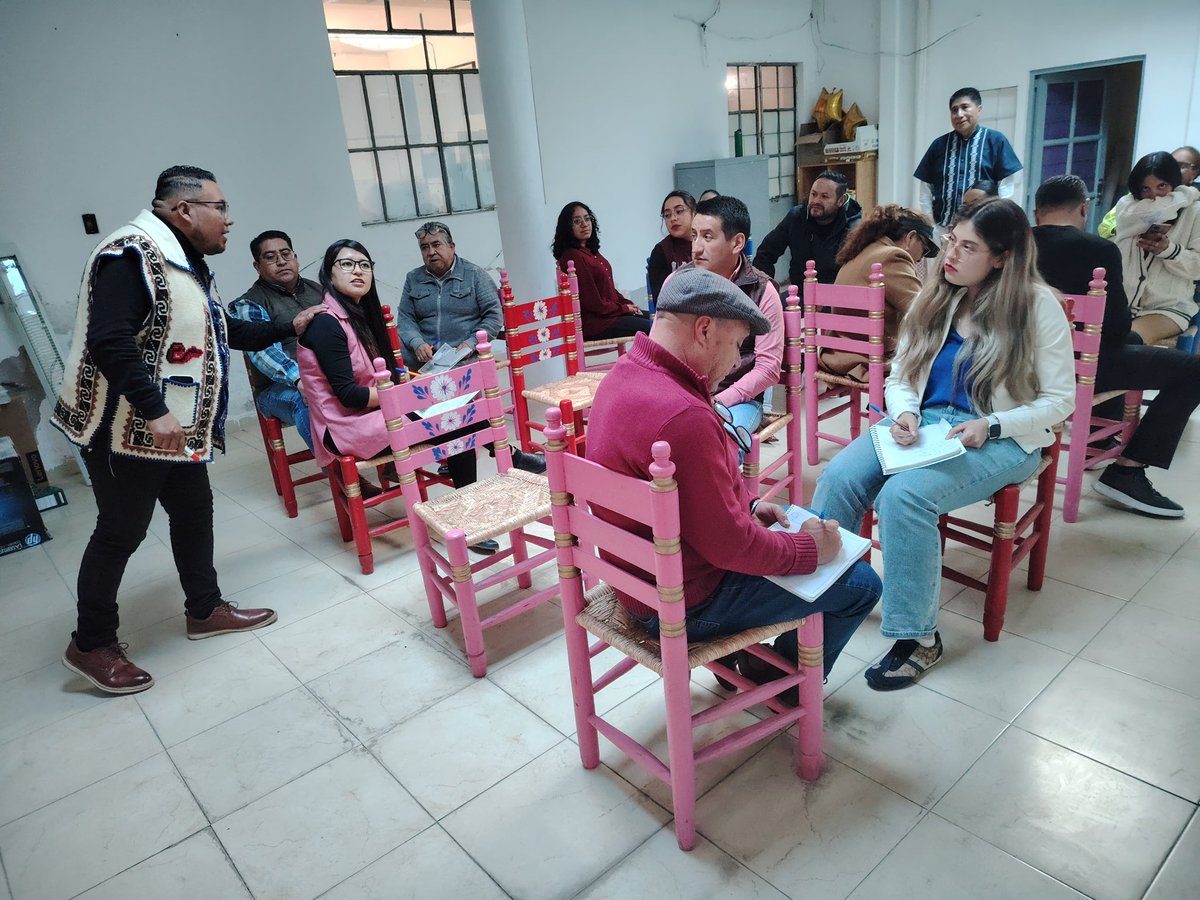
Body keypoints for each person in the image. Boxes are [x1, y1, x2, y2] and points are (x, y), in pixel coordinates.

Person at [51, 165, 324, 694]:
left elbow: (221, 329)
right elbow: (110, 340)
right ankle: (89, 643)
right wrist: (154, 409)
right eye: (219, 207)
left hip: (174, 431)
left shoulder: (182, 261)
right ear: (184, 211)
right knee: (121, 531)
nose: (229, 218)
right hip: (124, 427)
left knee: (194, 512)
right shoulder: (130, 256)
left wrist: (289, 324)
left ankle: (203, 610)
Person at [812, 198, 1074, 690]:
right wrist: (906, 410)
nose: (950, 254)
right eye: (951, 239)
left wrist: (991, 425)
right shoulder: (942, 292)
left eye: (967, 247)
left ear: (1002, 257)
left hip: (1005, 437)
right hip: (930, 423)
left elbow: (1061, 401)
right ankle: (823, 599)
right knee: (839, 477)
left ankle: (918, 637)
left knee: (905, 496)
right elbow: (902, 371)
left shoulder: (1036, 305)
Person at [586, 267, 881, 684]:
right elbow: (731, 548)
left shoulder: (621, 377)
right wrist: (809, 550)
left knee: (778, 534)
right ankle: (777, 686)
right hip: (683, 605)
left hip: (639, 585)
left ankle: (734, 666)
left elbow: (690, 506)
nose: (736, 362)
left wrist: (749, 506)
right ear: (705, 329)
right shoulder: (683, 415)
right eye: (738, 345)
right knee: (862, 584)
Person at [1034, 174, 1200, 517]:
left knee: (1128, 348)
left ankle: (1105, 438)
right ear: (1083, 208)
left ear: (1037, 213)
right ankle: (1127, 469)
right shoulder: (1099, 249)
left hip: (1022, 364)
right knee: (1190, 370)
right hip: (1078, 370)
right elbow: (1115, 326)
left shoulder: (1010, 247)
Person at [686, 195, 783, 452]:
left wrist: (717, 401)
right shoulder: (681, 282)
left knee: (722, 447)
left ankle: (729, 493)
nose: (696, 247)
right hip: (686, 393)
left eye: (707, 237)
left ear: (737, 242)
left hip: (738, 398)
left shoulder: (762, 292)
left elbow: (769, 368)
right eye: (693, 236)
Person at [228, 230, 324, 450]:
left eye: (285, 254)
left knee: (373, 387)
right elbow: (264, 352)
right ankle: (344, 478)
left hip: (327, 375)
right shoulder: (250, 304)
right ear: (257, 266)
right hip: (278, 388)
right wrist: (301, 379)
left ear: (296, 257)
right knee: (308, 400)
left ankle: (384, 459)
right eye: (270, 257)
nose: (281, 261)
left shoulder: (319, 290)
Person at [822, 204, 937, 375]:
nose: (920, 259)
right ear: (911, 238)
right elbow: (923, 310)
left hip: (838, 351)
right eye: (924, 249)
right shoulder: (893, 256)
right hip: (866, 356)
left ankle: (881, 402)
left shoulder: (862, 251)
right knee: (936, 362)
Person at [1110, 151, 1200, 345]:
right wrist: (1186, 194)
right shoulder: (1129, 209)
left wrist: (1170, 251)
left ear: (1174, 183)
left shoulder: (1195, 212)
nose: (1155, 196)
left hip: (1168, 307)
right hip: (1122, 304)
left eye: (1162, 186)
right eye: (1145, 189)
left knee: (1126, 341)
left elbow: (1198, 267)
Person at [914, 87, 1023, 235]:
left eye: (965, 107)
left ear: (979, 110)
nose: (959, 114)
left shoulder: (996, 141)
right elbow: (926, 190)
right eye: (954, 110)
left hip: (983, 229)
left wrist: (999, 220)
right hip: (943, 228)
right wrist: (931, 226)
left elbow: (1007, 188)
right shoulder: (939, 145)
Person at [396, 221, 502, 371]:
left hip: (463, 356)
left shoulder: (475, 275)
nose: (431, 252)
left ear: (451, 247)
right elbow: (405, 318)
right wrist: (417, 343)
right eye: (424, 247)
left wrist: (471, 344)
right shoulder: (413, 278)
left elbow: (494, 316)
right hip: (425, 358)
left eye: (436, 244)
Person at [552, 201, 651, 340]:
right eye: (576, 221)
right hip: (597, 323)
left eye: (587, 219)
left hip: (610, 315)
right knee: (653, 327)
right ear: (567, 227)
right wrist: (624, 309)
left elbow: (608, 290)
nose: (584, 224)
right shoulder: (573, 256)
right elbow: (593, 303)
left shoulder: (591, 252)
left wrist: (627, 304)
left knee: (659, 319)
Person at [752, 170, 862, 285]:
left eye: (824, 196)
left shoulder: (854, 228)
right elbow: (766, 252)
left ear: (841, 200)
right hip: (799, 293)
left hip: (837, 297)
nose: (816, 201)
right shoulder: (796, 217)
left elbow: (857, 273)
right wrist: (765, 289)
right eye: (813, 194)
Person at [1098, 146, 1200, 238]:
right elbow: (1105, 227)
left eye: (1181, 165)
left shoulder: (1195, 206)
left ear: (1195, 172)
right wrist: (1125, 229)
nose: (1154, 195)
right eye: (1170, 163)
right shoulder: (1135, 197)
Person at [646, 190, 696, 301]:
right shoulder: (661, 251)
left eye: (679, 211)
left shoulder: (708, 244)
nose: (673, 218)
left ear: (694, 213)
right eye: (667, 215)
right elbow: (661, 298)